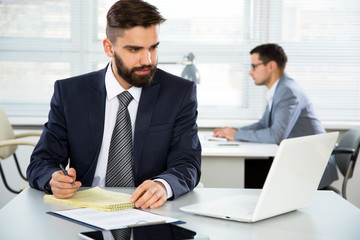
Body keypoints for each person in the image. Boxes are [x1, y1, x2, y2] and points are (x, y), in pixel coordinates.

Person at [26, 0, 201, 209]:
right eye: (134, 49)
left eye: (153, 48)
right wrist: (53, 179)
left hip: (150, 211)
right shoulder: (71, 93)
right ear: (109, 48)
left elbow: (188, 163)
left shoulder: (178, 93)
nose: (147, 60)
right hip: (85, 209)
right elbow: (41, 162)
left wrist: (163, 185)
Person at [213, 43, 337, 189]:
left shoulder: (287, 91)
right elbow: (263, 124)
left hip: (311, 168)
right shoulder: (279, 89)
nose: (250, 72)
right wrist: (233, 131)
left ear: (271, 66)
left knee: (252, 173)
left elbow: (276, 135)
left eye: (254, 66)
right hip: (298, 162)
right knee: (252, 170)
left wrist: (238, 134)